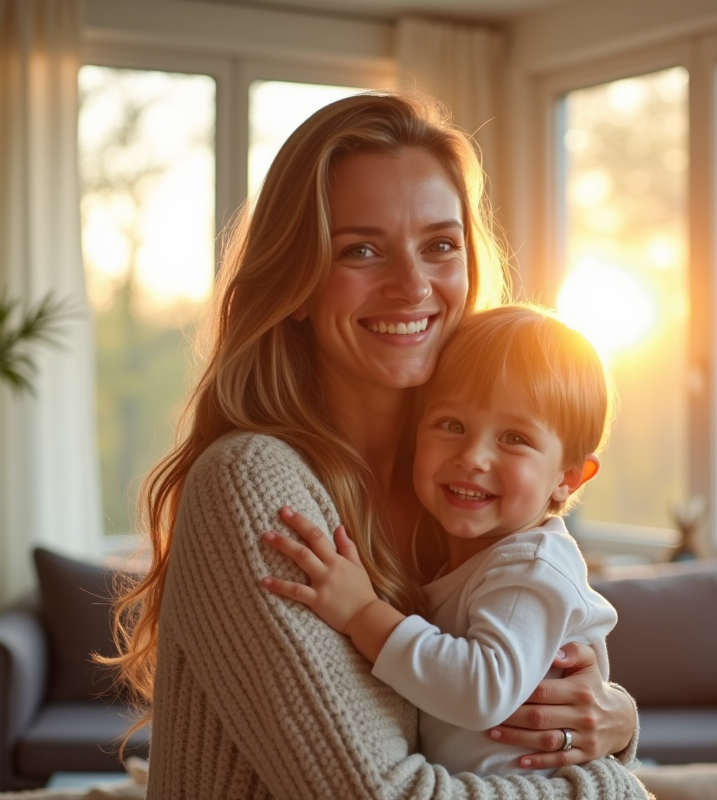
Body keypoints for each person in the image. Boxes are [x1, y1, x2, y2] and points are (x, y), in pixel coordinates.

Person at [111, 92, 646, 799]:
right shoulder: (253, 484)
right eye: (360, 250)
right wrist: (613, 789)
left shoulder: (457, 496)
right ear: (297, 283)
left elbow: (498, 714)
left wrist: (613, 721)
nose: (412, 285)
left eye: (440, 245)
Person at [261, 304, 636, 784]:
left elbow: (481, 691)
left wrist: (361, 612)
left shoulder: (532, 566)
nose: (473, 457)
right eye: (452, 425)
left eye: (514, 438)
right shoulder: (468, 559)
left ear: (568, 477)